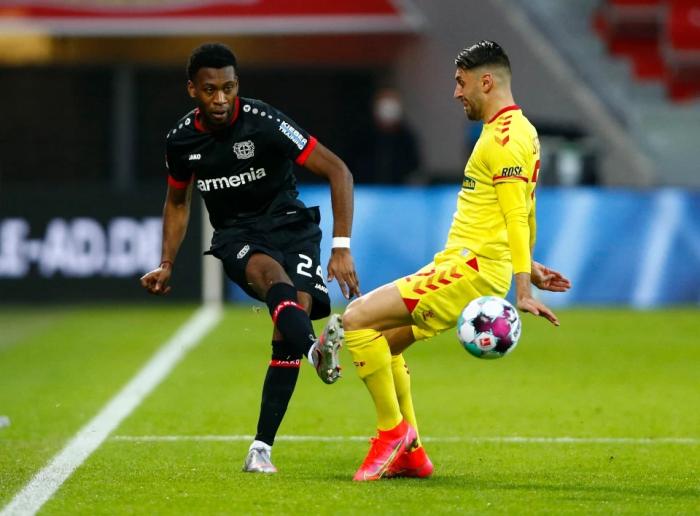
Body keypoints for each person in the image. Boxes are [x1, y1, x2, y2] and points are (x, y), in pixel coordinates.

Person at [324, 40, 572, 481]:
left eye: (461, 83)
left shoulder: (503, 140)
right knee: (386, 342)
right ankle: (412, 453)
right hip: (466, 264)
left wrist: (522, 288)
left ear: (486, 82)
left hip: (470, 270)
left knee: (357, 319)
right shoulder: (522, 130)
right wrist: (529, 265)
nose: (456, 93)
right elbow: (521, 208)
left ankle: (391, 434)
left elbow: (517, 216)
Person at [139, 43, 361, 474]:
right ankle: (315, 352)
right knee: (273, 278)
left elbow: (338, 170)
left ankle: (260, 448)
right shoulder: (182, 140)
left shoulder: (265, 122)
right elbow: (178, 202)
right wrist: (167, 262)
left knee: (292, 319)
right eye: (210, 90)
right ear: (192, 90)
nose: (220, 99)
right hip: (237, 235)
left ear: (237, 84)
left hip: (291, 226)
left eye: (228, 88)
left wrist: (341, 246)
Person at [348, 88, 422, 184]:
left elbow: (414, 169)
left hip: (398, 190)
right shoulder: (361, 136)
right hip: (366, 189)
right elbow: (351, 164)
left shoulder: (407, 138)